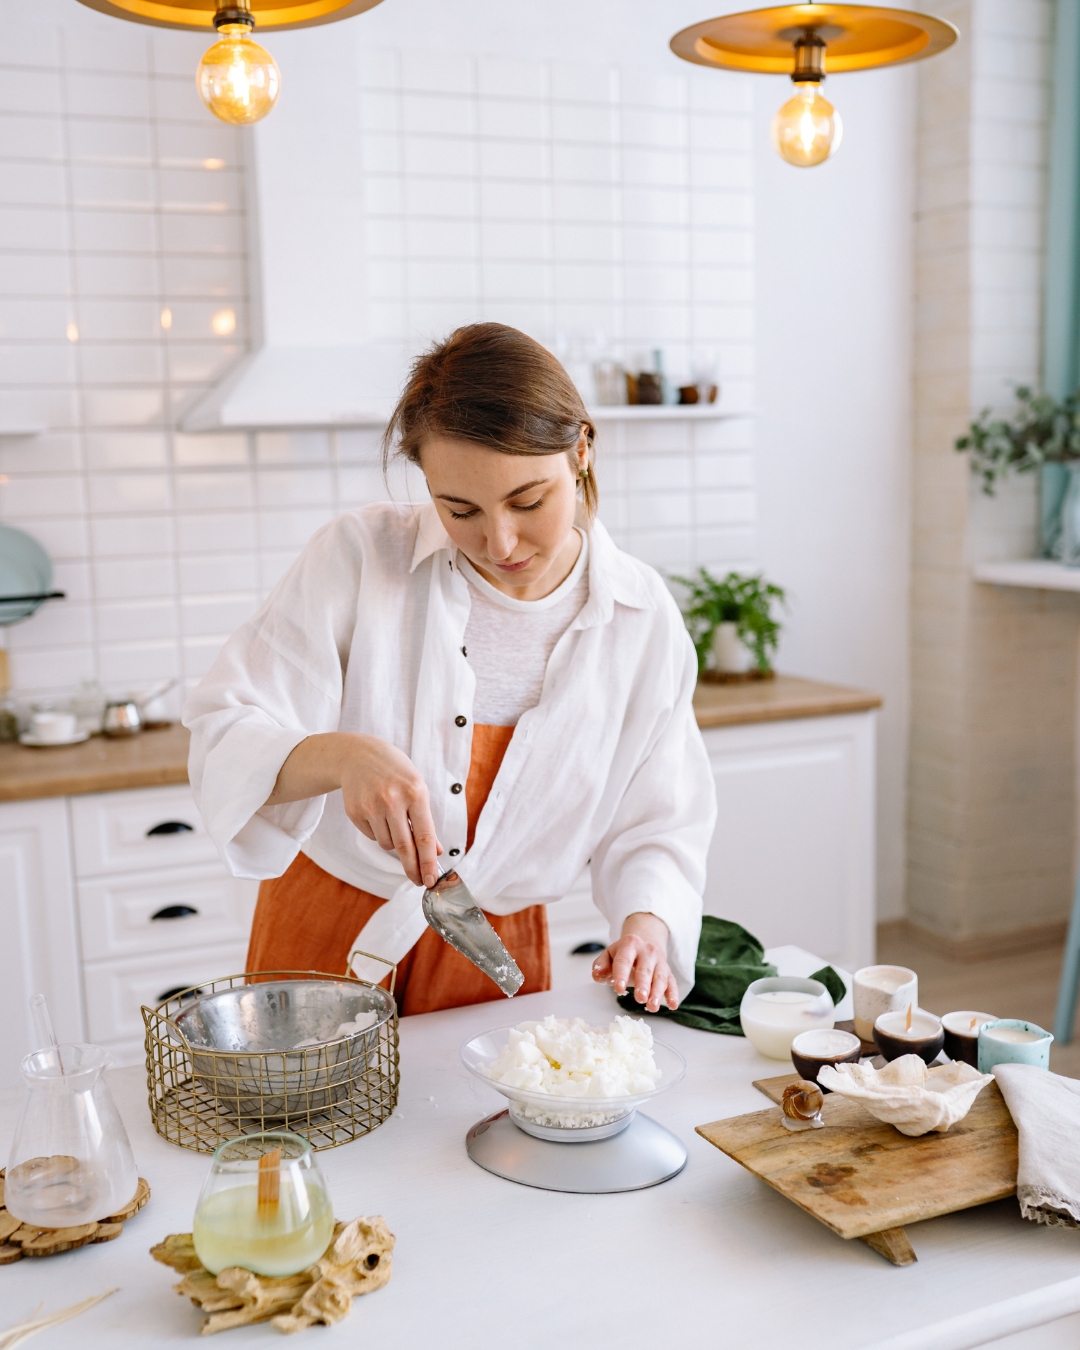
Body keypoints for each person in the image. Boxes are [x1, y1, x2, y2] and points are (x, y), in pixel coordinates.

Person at [184, 323, 716, 1016]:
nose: (499, 541)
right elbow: (224, 734)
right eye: (459, 509)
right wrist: (341, 757)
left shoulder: (640, 619)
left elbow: (659, 820)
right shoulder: (359, 557)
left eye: (528, 501)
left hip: (491, 947)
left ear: (582, 449)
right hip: (326, 923)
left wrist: (648, 926)